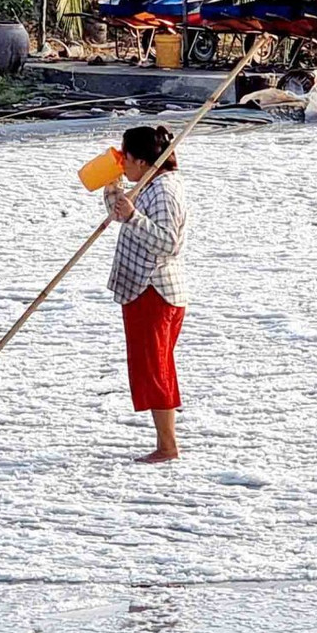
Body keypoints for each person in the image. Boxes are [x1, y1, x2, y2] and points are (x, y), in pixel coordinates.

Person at [104, 125, 188, 463]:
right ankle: (164, 443)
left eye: (125, 157)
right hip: (141, 289)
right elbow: (120, 211)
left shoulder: (164, 191)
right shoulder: (147, 183)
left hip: (155, 290)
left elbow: (169, 243)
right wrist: (111, 185)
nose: (122, 161)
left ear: (140, 161)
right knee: (148, 366)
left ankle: (168, 446)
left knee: (156, 368)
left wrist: (135, 218)